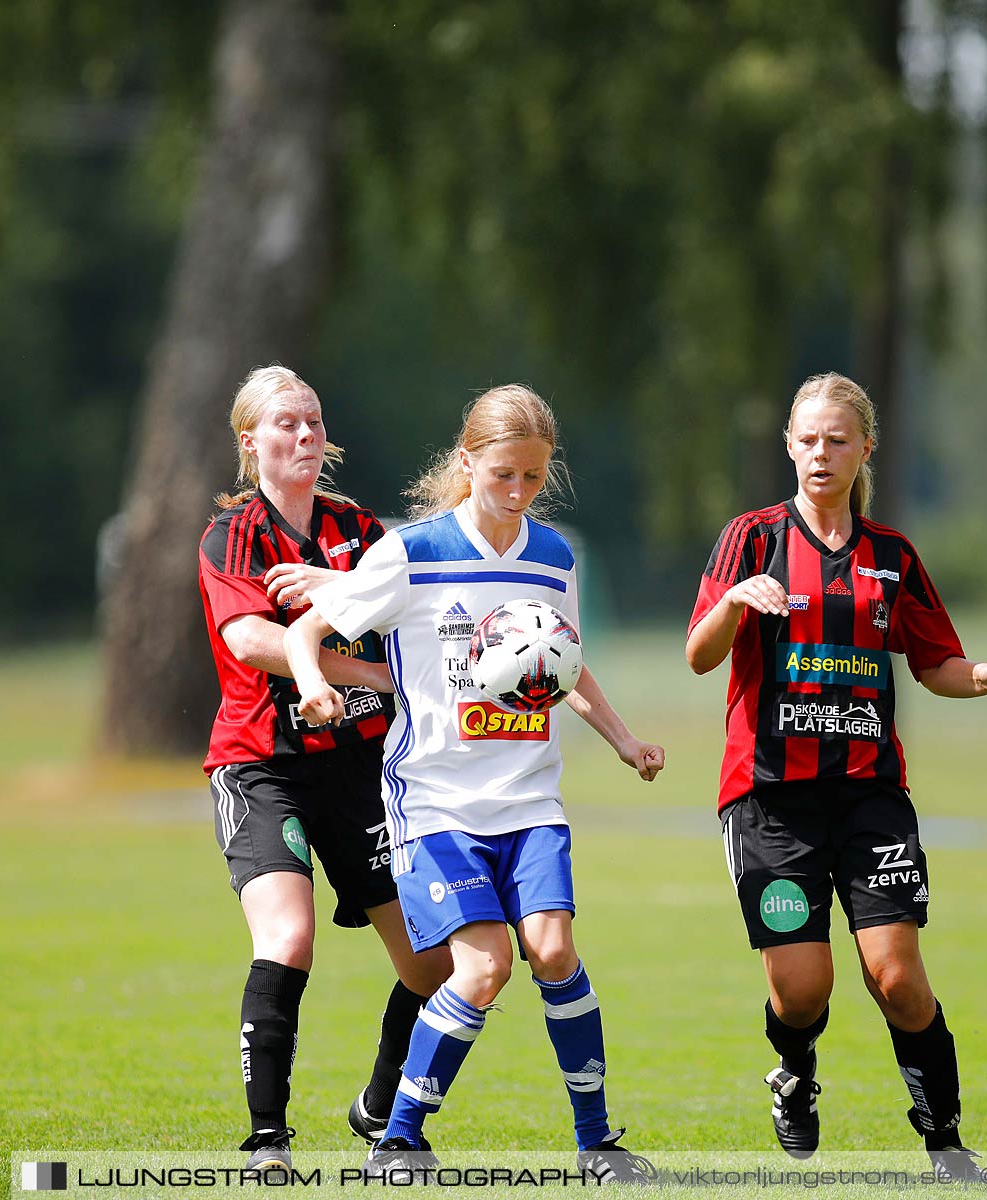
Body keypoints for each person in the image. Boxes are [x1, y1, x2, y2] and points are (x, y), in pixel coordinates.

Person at [283, 384, 665, 1182]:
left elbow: (562, 660)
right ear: (467, 464)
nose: (517, 492)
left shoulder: (553, 557)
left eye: (532, 477)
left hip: (528, 797)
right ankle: (400, 1138)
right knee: (484, 967)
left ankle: (597, 1142)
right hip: (435, 800)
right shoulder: (413, 552)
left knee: (553, 950)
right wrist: (312, 684)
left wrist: (624, 738)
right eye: (502, 476)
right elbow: (308, 629)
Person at [685, 372, 987, 1181]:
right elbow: (700, 656)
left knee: (897, 978)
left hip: (870, 797)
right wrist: (737, 601)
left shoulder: (891, 557)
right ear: (788, 445)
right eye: (808, 439)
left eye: (837, 440)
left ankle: (945, 1141)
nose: (821, 453)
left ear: (863, 450)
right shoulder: (751, 538)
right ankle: (796, 1073)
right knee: (803, 991)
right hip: (769, 802)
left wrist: (982, 674)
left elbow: (935, 664)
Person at [197, 365, 453, 1173]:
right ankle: (267, 1140)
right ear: (251, 443)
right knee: (290, 934)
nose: (304, 436)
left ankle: (381, 1106)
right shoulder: (232, 538)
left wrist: (339, 591)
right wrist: (368, 675)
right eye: (285, 424)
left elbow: (410, 612)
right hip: (261, 766)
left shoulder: (359, 530)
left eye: (312, 422)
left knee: (434, 964)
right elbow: (249, 642)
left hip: (360, 772)